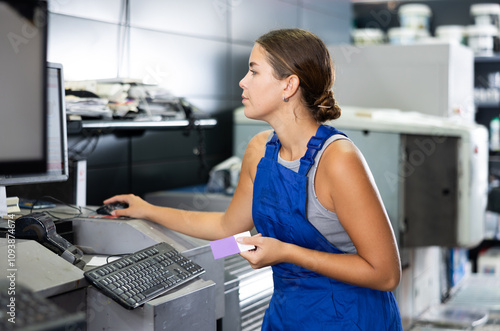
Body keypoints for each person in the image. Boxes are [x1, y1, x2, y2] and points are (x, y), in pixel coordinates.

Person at [105, 28, 403, 330]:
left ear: (289, 85)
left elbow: (386, 274)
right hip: (287, 316)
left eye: (253, 71)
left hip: (352, 318)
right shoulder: (259, 150)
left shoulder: (338, 160)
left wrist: (287, 252)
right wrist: (146, 211)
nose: (242, 82)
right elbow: (228, 230)